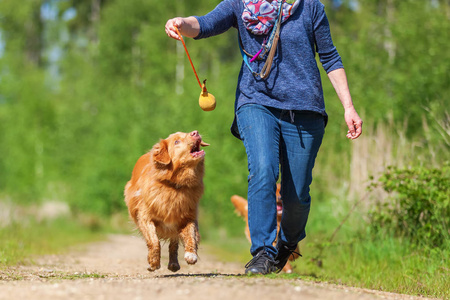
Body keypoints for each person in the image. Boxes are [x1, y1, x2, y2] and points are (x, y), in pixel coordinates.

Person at [165, 0, 362, 275]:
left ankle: (287, 243)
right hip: (255, 102)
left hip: (304, 107)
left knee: (297, 195)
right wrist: (181, 23)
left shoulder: (310, 7)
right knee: (263, 169)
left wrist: (349, 107)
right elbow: (205, 24)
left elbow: (329, 56)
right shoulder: (239, 4)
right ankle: (262, 253)